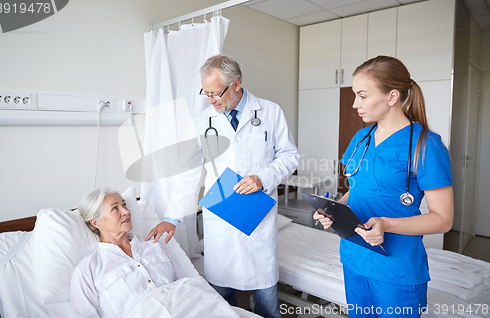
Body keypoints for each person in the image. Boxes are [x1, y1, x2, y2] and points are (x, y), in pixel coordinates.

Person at [146, 55, 300, 318]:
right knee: (220, 304)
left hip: (257, 220)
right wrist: (172, 217)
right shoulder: (202, 121)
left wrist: (262, 178)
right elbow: (190, 174)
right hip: (221, 220)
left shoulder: (270, 112)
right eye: (205, 93)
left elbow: (290, 156)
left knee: (267, 304)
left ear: (236, 84)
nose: (211, 100)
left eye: (216, 93)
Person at [314, 56, 454, 317]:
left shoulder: (426, 145)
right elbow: (358, 189)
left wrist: (387, 224)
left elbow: (443, 220)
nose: (355, 104)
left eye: (362, 96)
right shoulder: (361, 137)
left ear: (391, 97)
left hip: (395, 267)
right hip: (354, 256)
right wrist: (332, 209)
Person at [70, 188, 178, 317]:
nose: (126, 211)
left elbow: (184, 284)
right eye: (115, 208)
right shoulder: (87, 271)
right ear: (96, 222)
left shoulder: (154, 246)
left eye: (124, 205)